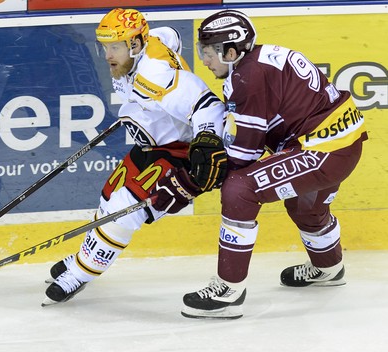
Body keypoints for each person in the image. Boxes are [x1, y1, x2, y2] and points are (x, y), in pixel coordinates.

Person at [153, 10, 367, 319]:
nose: (205, 60)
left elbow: (244, 155)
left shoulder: (247, 76)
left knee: (239, 190)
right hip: (342, 141)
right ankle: (329, 267)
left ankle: (229, 289)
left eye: (209, 52)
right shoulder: (257, 62)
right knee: (304, 205)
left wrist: (190, 183)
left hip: (323, 149)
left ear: (231, 51)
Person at [42, 8, 227, 306]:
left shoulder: (153, 74)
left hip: (180, 153)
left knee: (123, 208)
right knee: (109, 197)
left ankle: (80, 273)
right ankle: (88, 255)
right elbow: (171, 36)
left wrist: (207, 142)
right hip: (151, 146)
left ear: (136, 45)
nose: (108, 55)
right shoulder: (151, 42)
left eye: (115, 47)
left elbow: (208, 106)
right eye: (105, 46)